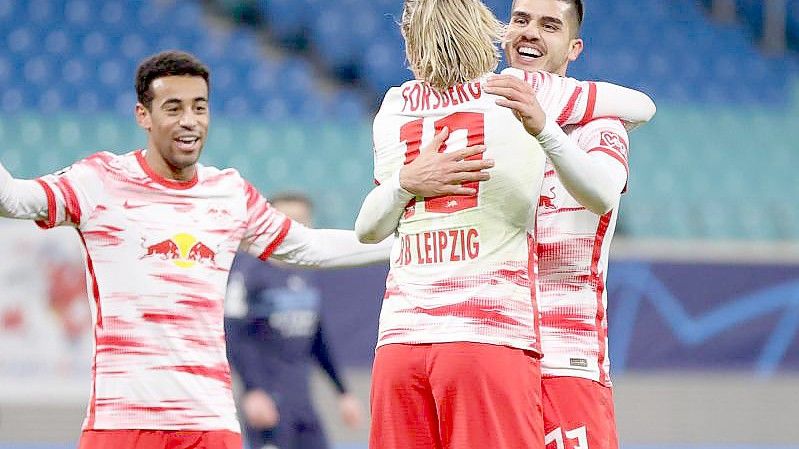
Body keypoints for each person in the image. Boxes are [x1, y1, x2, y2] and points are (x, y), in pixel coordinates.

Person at [0, 50, 391, 449]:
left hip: (210, 423)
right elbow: (12, 199)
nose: (190, 120)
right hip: (123, 422)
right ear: (143, 116)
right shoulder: (100, 182)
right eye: (173, 108)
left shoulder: (228, 193)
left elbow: (308, 246)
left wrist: (399, 246)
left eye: (199, 107)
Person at [354, 1, 654, 448]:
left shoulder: (599, 126)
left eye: (548, 25)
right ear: (500, 31)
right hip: (493, 350)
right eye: (520, 20)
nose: (530, 33)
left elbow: (604, 192)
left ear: (574, 48)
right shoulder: (487, 107)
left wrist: (545, 128)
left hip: (564, 360)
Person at [224, 192, 363, 449]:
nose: (295, 229)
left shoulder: (307, 275)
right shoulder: (247, 275)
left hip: (303, 405)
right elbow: (234, 336)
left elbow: (317, 340)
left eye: (302, 221)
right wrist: (253, 390)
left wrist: (342, 392)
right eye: (288, 220)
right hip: (268, 404)